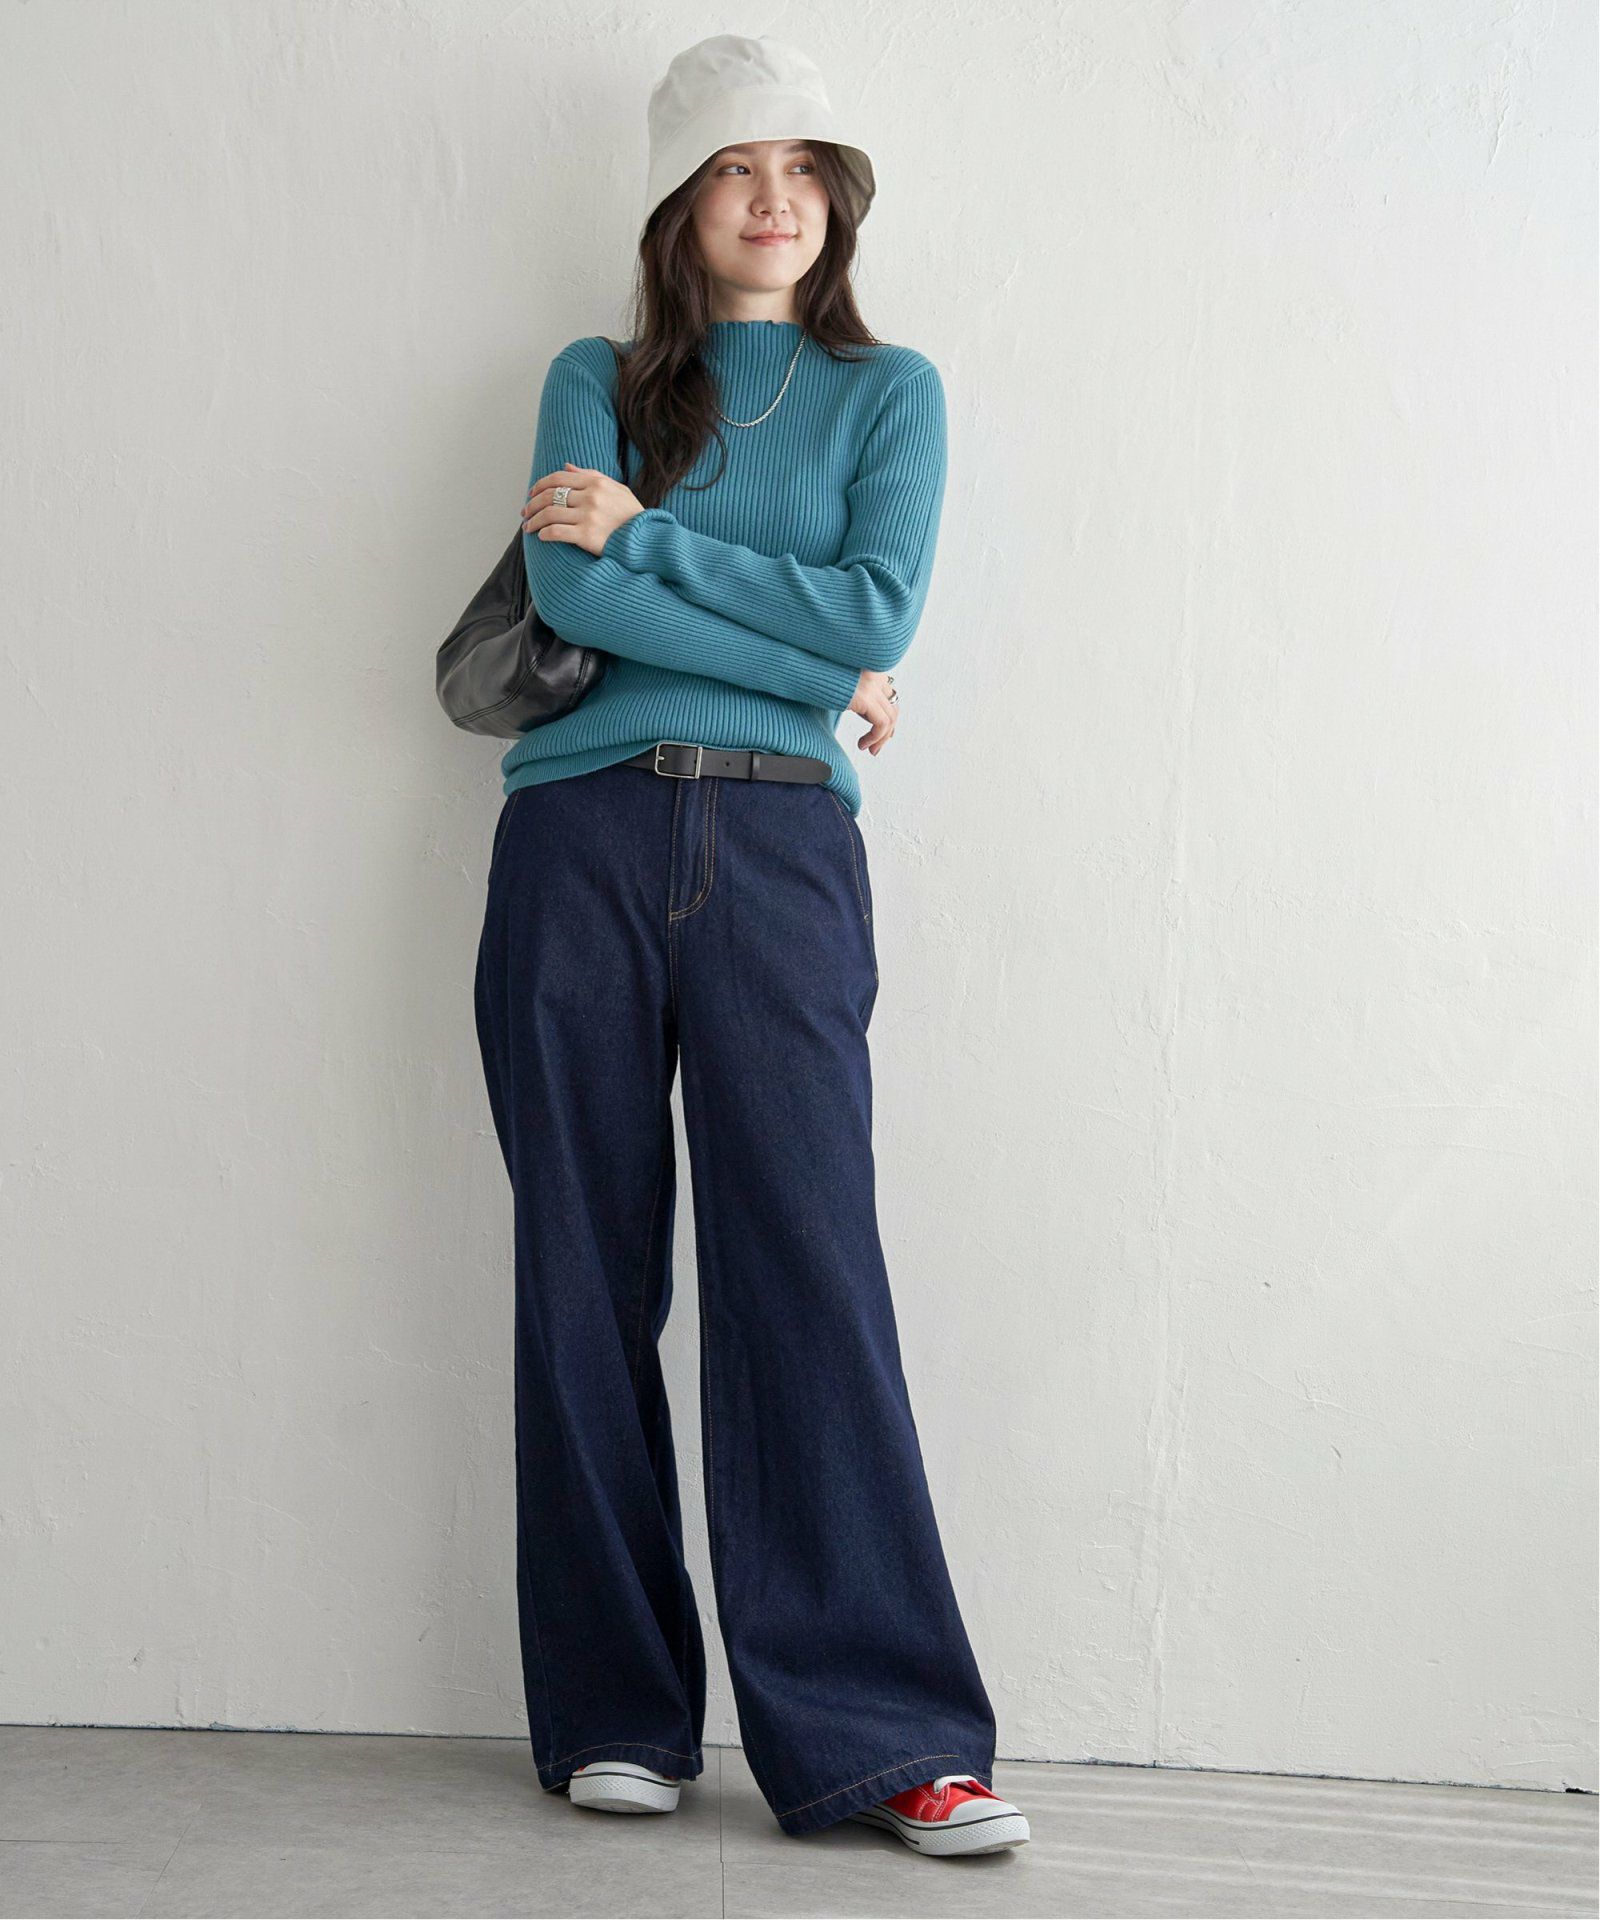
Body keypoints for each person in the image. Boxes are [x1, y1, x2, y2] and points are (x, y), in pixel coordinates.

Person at [473, 34, 1029, 1858]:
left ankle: (887, 1738)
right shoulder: (596, 377)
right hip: (580, 835)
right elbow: (571, 590)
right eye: (734, 167)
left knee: (810, 1263)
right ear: (679, 202)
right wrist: (821, 660)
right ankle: (613, 1711)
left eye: (803, 168)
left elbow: (888, 612)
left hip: (782, 849)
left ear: (838, 204)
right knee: (584, 1268)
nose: (773, 197)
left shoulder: (891, 394)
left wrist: (662, 541)